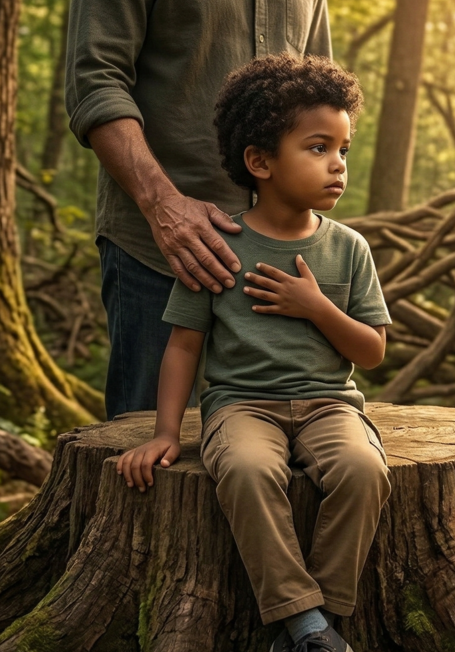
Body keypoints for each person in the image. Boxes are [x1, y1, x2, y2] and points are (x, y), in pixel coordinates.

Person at [116, 56, 389, 652]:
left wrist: (316, 306)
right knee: (242, 470)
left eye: (343, 149)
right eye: (318, 147)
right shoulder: (221, 245)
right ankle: (308, 632)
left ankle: (314, 627)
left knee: (361, 470)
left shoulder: (348, 248)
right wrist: (163, 431)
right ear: (261, 161)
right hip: (242, 406)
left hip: (330, 402)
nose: (338, 165)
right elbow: (184, 345)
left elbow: (373, 352)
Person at [67, 0, 332, 419]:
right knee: (149, 445)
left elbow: (319, 97)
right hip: (159, 250)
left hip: (277, 265)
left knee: (287, 440)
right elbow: (96, 80)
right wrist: (163, 205)